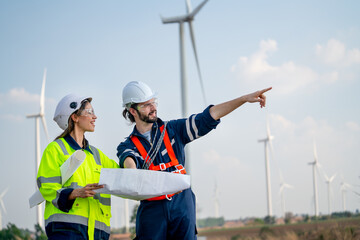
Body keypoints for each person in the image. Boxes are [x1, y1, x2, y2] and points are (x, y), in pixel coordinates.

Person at [117, 81, 272, 240]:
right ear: (132, 111)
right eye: (146, 105)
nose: (153, 107)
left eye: (153, 102)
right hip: (152, 209)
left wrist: (244, 99)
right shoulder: (127, 145)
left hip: (181, 203)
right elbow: (128, 160)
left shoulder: (174, 130)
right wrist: (132, 172)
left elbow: (209, 116)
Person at [37, 94, 119, 240]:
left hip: (97, 232)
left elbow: (122, 174)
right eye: (90, 112)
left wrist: (129, 152)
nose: (95, 117)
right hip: (66, 229)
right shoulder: (55, 149)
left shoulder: (96, 155)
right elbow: (47, 187)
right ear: (74, 117)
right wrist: (74, 193)